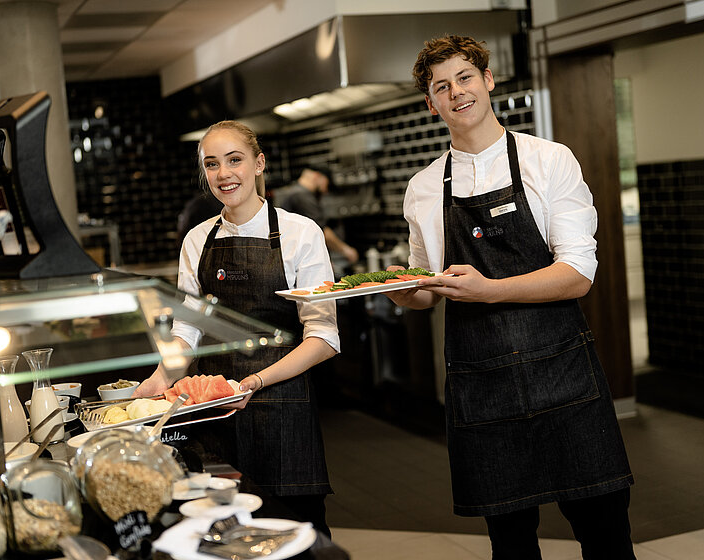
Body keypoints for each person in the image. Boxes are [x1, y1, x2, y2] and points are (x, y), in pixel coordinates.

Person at [385, 35, 636, 559]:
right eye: (441, 87)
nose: (456, 93)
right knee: (512, 544)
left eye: (465, 78)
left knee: (606, 533)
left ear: (488, 80)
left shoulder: (549, 160)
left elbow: (577, 275)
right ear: (430, 103)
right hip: (482, 386)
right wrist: (402, 292)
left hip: (562, 375)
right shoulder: (424, 188)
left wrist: (489, 290)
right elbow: (427, 290)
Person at [133, 120, 338, 536]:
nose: (223, 174)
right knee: (226, 535)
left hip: (283, 404)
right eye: (212, 164)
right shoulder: (196, 240)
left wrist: (256, 381)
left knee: (298, 534)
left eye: (234, 160)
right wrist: (159, 379)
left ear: (258, 163)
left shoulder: (302, 233)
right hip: (214, 410)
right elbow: (187, 333)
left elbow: (323, 338)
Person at [271, 166, 359, 264]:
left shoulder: (294, 192)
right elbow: (322, 231)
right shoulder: (302, 196)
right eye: (327, 183)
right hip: (297, 260)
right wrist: (347, 251)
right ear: (317, 176)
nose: (325, 190)